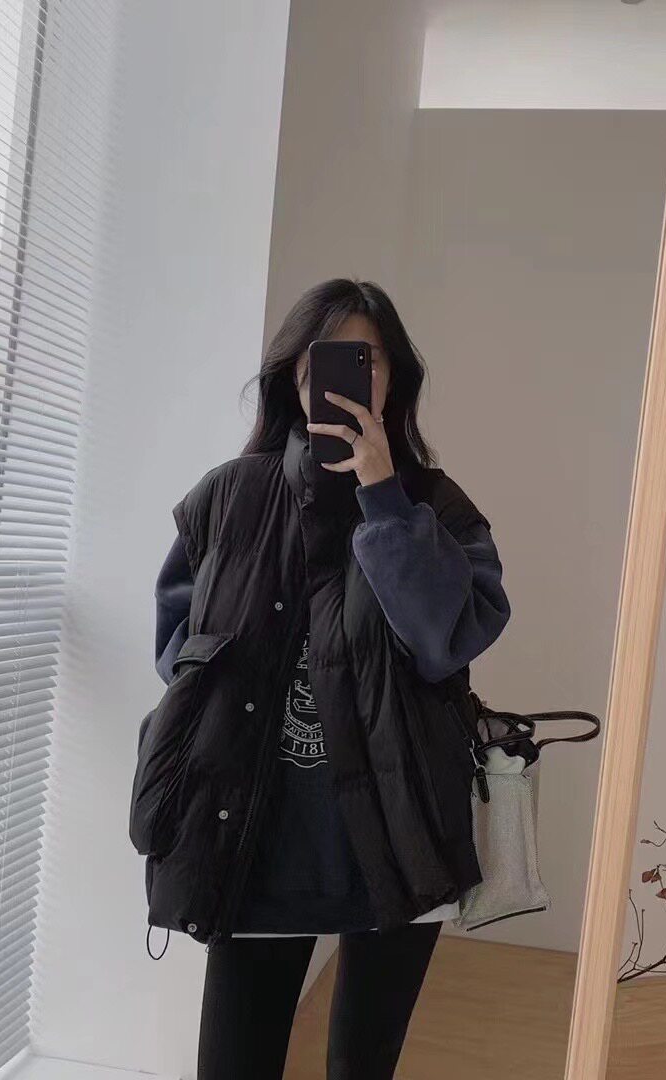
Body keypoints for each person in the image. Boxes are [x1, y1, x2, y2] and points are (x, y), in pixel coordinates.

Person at [151, 278, 511, 1079]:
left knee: (362, 1067)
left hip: (399, 834)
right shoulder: (228, 496)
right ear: (296, 372)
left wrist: (384, 498)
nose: (350, 375)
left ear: (392, 377)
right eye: (331, 356)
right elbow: (178, 649)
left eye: (367, 359)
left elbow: (447, 641)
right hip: (254, 834)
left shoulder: (434, 505)